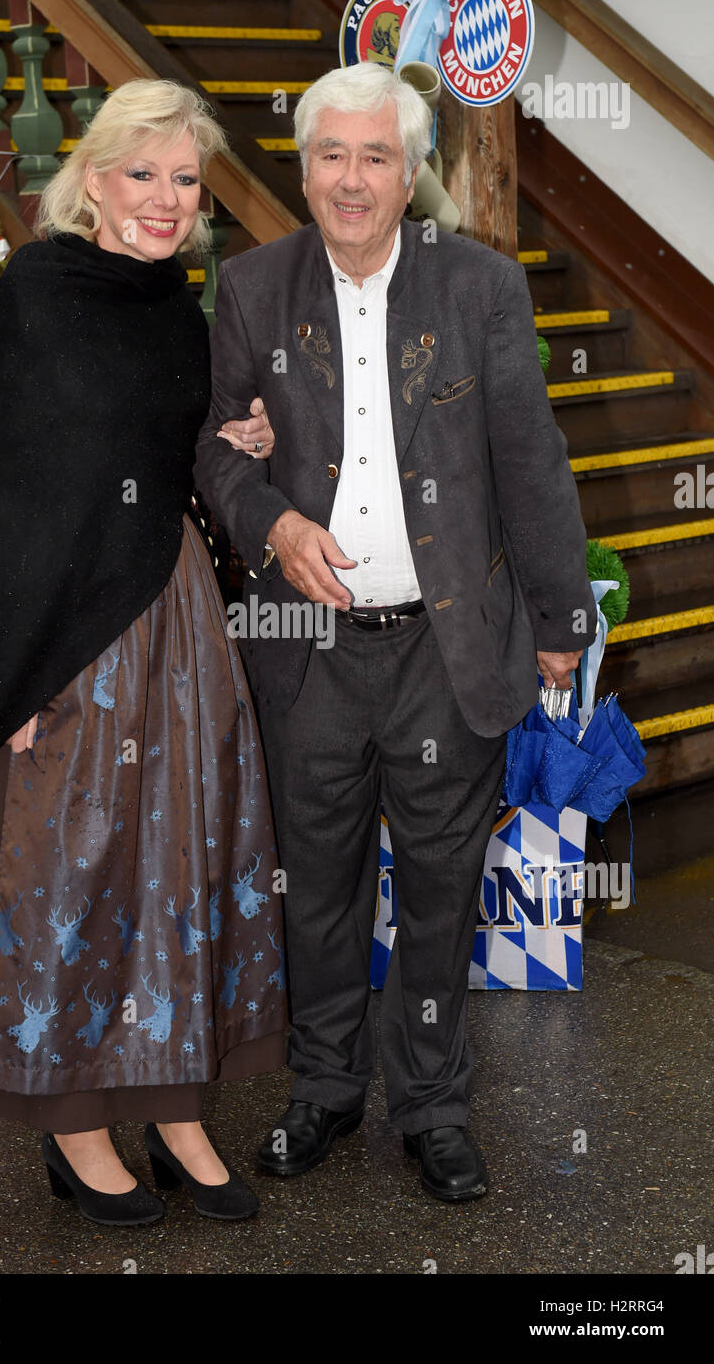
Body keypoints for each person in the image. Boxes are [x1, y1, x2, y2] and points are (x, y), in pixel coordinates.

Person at [194, 62, 597, 1202]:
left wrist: (561, 618)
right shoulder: (252, 288)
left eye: (378, 156)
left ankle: (431, 1104)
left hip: (443, 646)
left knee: (437, 890)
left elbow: (528, 457)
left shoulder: (477, 287)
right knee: (314, 890)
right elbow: (216, 450)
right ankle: (322, 1089)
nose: (354, 180)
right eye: (333, 155)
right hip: (309, 651)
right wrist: (270, 520)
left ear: (411, 171)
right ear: (303, 164)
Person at [0, 78, 287, 1227]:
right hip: (70, 627)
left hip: (174, 613)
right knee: (76, 870)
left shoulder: (175, 299)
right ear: (94, 177)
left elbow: (172, 447)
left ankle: (172, 1107)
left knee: (180, 866)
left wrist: (236, 431)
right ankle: (72, 1122)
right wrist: (6, 668)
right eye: (142, 175)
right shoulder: (40, 290)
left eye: (184, 182)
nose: (164, 202)